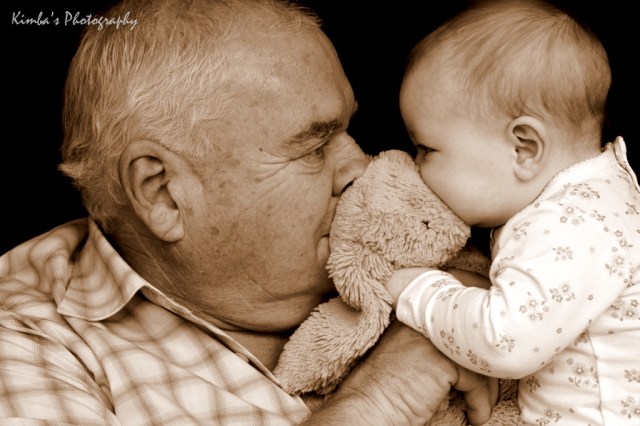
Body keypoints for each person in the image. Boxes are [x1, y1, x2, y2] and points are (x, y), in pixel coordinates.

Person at [0, 0, 497, 424]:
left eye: (348, 131)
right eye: (314, 147)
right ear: (163, 193)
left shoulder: (421, 257)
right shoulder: (24, 347)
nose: (360, 167)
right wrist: (383, 398)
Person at [386, 0, 640, 425]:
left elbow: (505, 341)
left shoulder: (572, 224)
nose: (416, 166)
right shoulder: (594, 197)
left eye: (426, 149)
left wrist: (418, 291)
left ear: (524, 148)